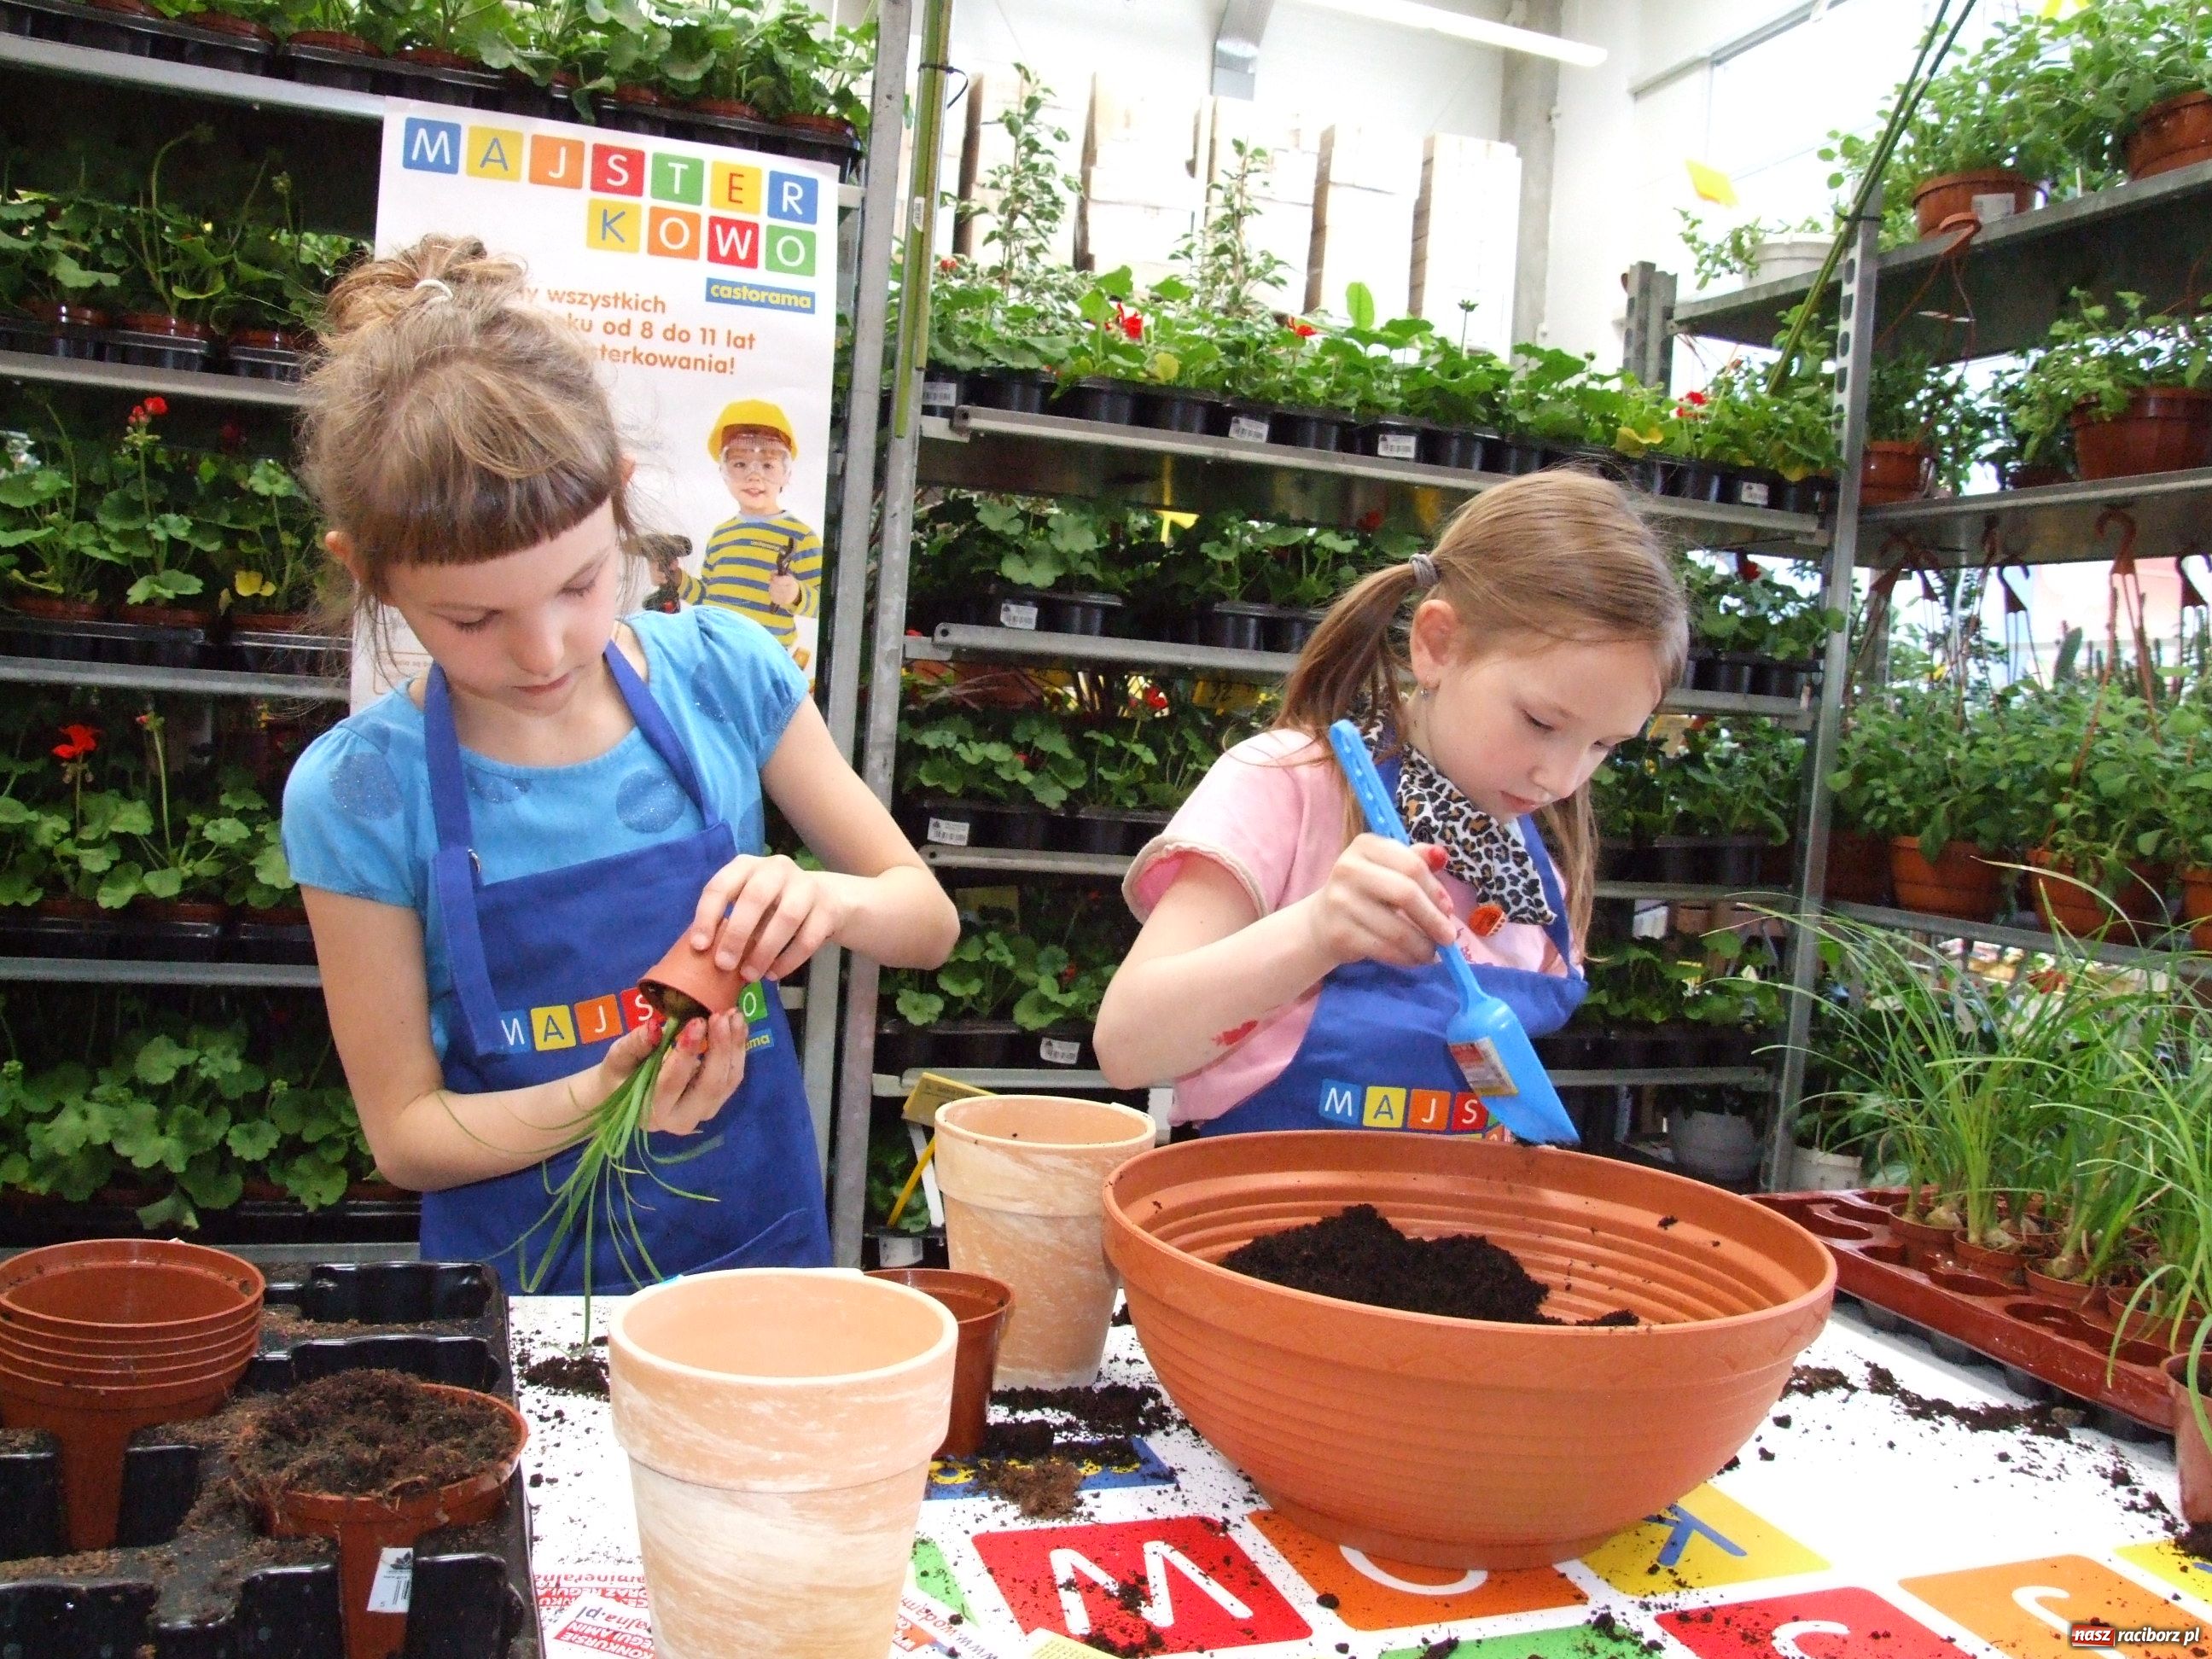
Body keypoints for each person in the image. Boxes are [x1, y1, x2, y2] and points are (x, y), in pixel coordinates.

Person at [281, 236, 958, 1292]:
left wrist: (825, 900)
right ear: (364, 572)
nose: (544, 650)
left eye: (581, 584)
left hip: (756, 1267)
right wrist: (609, 1095)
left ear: (624, 499)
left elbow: (927, 918)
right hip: (533, 1302)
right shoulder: (360, 795)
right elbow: (407, 1133)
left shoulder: (727, 674)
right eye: (471, 619)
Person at [1092, 471, 1686, 1137]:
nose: (1560, 777)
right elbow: (1127, 1047)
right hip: (1252, 1223)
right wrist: (1314, 934)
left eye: (1604, 744)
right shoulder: (1287, 785)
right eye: (1541, 722)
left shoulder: (1534, 877)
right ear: (1438, 645)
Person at [678, 399, 823, 673]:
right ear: (724, 471)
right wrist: (676, 579)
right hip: (713, 656)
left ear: (786, 474)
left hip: (764, 665)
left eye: (767, 465)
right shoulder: (722, 534)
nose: (754, 477)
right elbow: (708, 597)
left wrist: (795, 594)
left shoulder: (800, 536)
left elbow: (825, 606)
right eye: (741, 463)